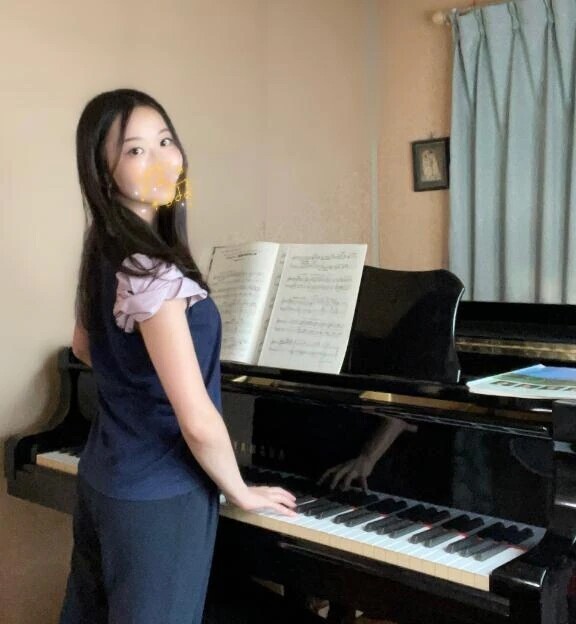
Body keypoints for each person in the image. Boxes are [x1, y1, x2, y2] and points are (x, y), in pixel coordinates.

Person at [59, 88, 296, 624]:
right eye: (135, 150)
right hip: (160, 497)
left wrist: (136, 385)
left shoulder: (103, 244)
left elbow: (83, 345)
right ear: (103, 173)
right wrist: (239, 491)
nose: (163, 160)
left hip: (105, 478)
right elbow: (198, 422)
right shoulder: (153, 273)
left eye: (166, 141)